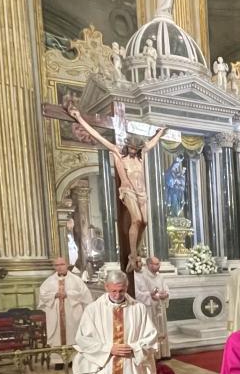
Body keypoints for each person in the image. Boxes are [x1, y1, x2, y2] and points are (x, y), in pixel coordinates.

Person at [67, 104, 167, 270]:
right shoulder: (118, 153)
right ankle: (133, 254)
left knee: (145, 223)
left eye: (137, 148)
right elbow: (97, 136)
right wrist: (79, 118)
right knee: (137, 220)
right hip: (128, 191)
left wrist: (160, 133)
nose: (134, 150)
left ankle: (135, 253)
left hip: (142, 192)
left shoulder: (141, 156)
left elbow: (151, 144)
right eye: (132, 147)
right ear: (128, 145)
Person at [37, 257, 93, 367]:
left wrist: (69, 294)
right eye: (57, 265)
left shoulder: (76, 280)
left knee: (73, 334)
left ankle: (73, 360)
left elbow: (84, 295)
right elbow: (43, 295)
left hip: (72, 314)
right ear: (54, 267)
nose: (60, 267)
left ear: (67, 265)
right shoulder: (48, 281)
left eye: (62, 264)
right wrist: (55, 295)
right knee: (56, 337)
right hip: (55, 315)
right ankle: (58, 361)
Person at [135, 256, 171, 360]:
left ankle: (163, 353)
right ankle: (155, 354)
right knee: (153, 329)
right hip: (150, 308)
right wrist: (154, 295)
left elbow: (166, 289)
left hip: (160, 306)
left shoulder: (160, 276)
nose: (158, 266)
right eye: (156, 264)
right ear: (149, 265)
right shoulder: (143, 276)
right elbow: (144, 292)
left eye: (159, 263)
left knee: (162, 329)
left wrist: (166, 294)